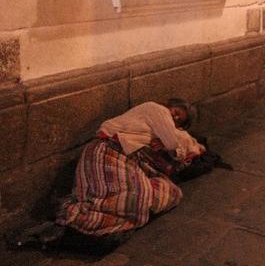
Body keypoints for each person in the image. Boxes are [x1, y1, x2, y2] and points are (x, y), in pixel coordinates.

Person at [9, 98, 209, 251]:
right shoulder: (155, 109)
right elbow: (174, 144)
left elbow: (177, 146)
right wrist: (168, 142)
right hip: (105, 153)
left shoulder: (154, 128)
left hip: (125, 160)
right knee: (134, 202)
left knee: (169, 193)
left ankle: (75, 223)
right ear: (168, 105)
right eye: (175, 113)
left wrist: (167, 144)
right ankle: (64, 222)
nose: (172, 118)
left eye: (178, 120)